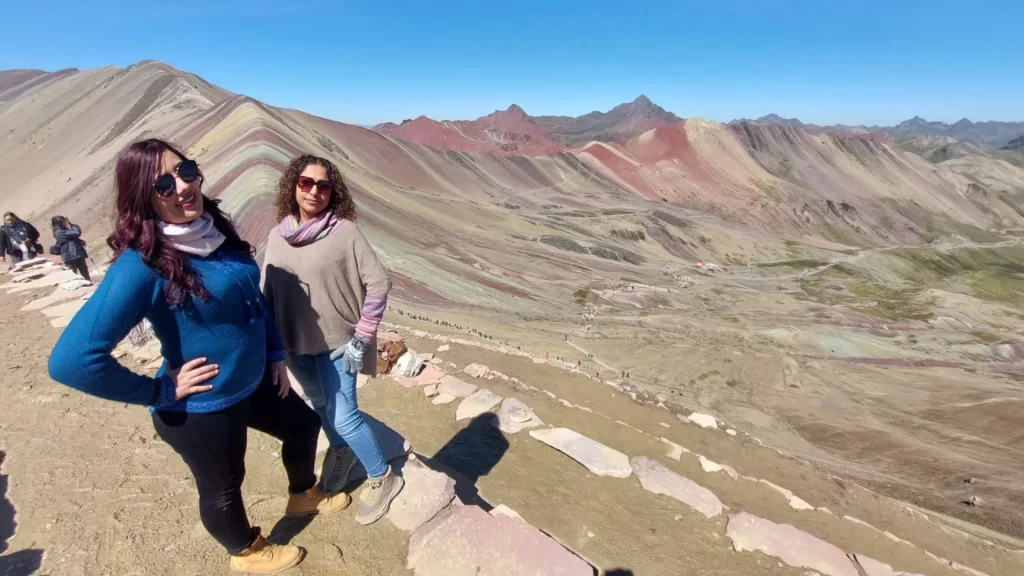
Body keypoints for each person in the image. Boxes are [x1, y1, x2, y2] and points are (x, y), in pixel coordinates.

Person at [48, 139, 349, 574]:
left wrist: (275, 352)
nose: (182, 186)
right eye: (163, 183)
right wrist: (157, 389)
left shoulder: (213, 229)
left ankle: (302, 495)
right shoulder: (143, 264)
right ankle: (245, 551)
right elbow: (71, 360)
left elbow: (251, 298)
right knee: (224, 487)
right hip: (201, 405)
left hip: (252, 381)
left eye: (186, 170)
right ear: (142, 195)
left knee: (303, 425)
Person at [262, 154, 403, 526]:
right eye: (306, 183)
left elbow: (378, 283)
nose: (314, 191)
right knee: (322, 405)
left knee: (346, 415)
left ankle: (382, 476)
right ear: (293, 186)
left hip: (341, 345)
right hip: (296, 347)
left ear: (333, 192)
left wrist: (363, 338)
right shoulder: (278, 236)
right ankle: (341, 453)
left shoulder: (345, 232)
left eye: (323, 186)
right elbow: (267, 291)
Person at [50, 215, 91, 281]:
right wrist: (72, 226)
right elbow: (76, 232)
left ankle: (88, 282)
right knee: (73, 273)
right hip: (70, 255)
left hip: (77, 253)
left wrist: (71, 226)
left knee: (84, 270)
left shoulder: (64, 230)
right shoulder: (59, 232)